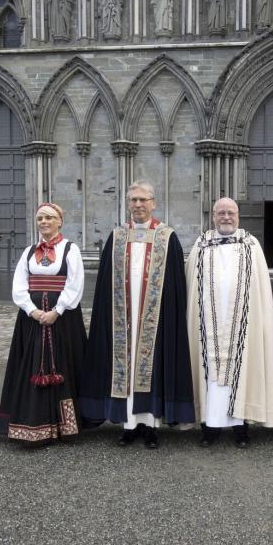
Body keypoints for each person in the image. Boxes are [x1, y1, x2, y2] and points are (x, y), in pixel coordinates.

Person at [80, 182, 195, 448]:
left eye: (143, 200)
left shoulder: (167, 237)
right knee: (124, 369)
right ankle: (128, 425)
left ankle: (150, 425)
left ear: (154, 203)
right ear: (128, 204)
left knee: (151, 369)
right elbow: (105, 284)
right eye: (133, 200)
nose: (138, 205)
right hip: (122, 318)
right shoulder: (117, 236)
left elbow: (176, 285)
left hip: (156, 319)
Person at [186, 198, 273, 447]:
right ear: (213, 216)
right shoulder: (201, 244)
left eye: (231, 213)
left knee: (243, 371)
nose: (226, 217)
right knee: (209, 376)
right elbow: (191, 286)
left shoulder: (251, 244)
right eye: (221, 213)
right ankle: (210, 427)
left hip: (243, 323)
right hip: (206, 324)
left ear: (238, 216)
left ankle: (241, 427)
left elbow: (260, 289)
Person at [0, 203, 87, 446]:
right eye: (40, 218)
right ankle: (33, 424)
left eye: (49, 217)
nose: (44, 222)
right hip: (32, 321)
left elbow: (75, 283)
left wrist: (57, 311)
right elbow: (19, 285)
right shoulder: (28, 252)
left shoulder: (70, 249)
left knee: (62, 366)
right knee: (31, 365)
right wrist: (33, 311)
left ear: (60, 221)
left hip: (63, 320)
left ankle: (65, 427)